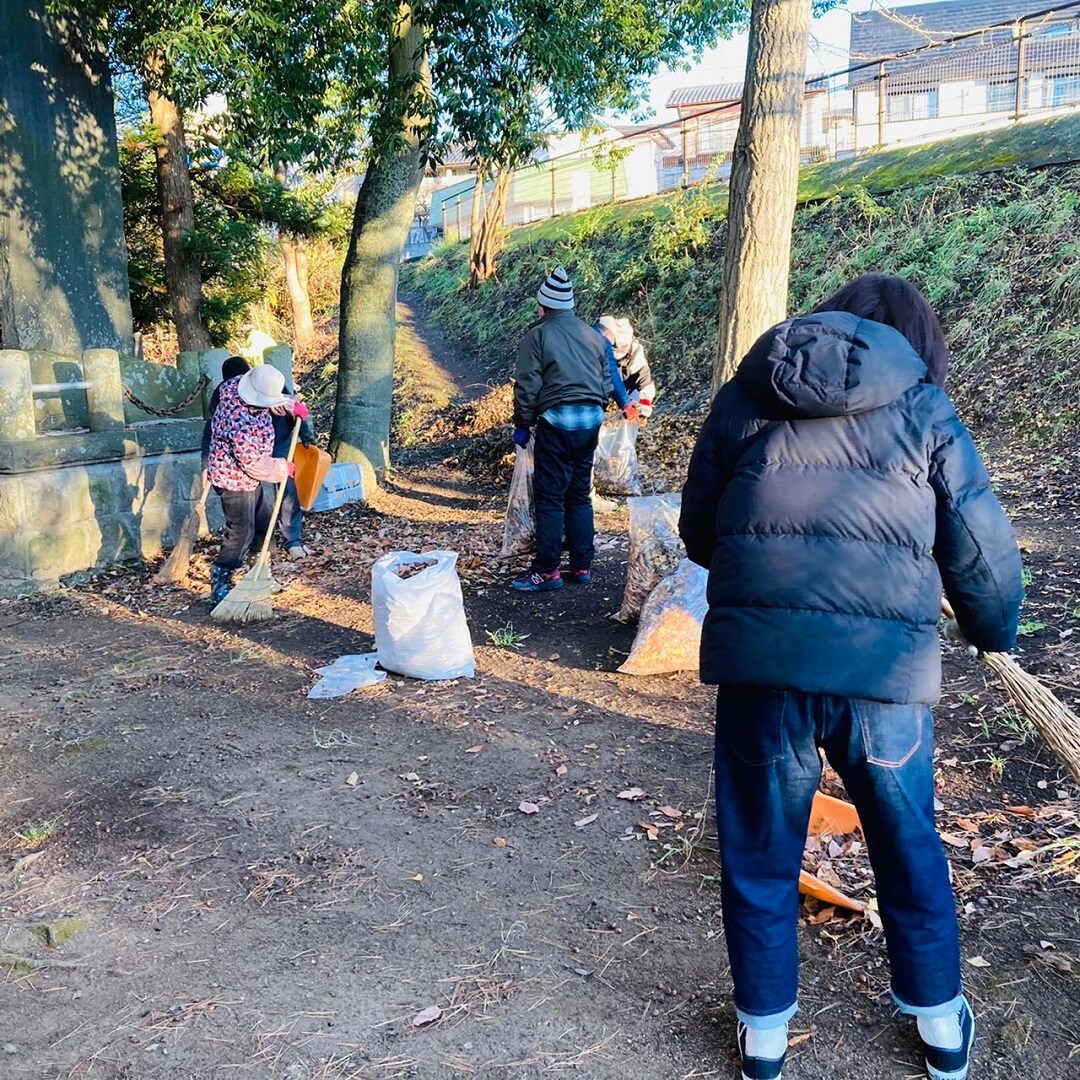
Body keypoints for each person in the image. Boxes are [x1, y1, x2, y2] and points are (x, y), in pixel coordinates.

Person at [679, 273, 1023, 1080]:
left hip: (763, 670)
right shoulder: (925, 408)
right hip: (883, 677)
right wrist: (991, 631)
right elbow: (981, 546)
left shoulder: (744, 399)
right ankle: (941, 1027)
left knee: (760, 850)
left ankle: (763, 1040)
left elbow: (701, 531)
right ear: (912, 342)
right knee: (908, 843)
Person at [511, 267, 631, 591]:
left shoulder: (538, 335)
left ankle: (547, 570)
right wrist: (615, 405)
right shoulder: (593, 335)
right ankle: (581, 565)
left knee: (550, 498)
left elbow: (527, 385)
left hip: (557, 422)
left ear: (544, 305)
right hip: (591, 423)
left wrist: (522, 424)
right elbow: (608, 379)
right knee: (579, 494)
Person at [206, 363, 310, 606]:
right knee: (241, 533)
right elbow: (252, 463)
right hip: (233, 479)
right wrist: (283, 467)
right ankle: (220, 584)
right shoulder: (241, 423)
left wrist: (292, 407)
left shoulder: (236, 385)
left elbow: (273, 399)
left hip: (248, 479)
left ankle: (260, 575)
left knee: (263, 523)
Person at [596, 315, 656, 418]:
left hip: (625, 396)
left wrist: (645, 402)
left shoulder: (635, 353)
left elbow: (645, 381)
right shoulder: (595, 346)